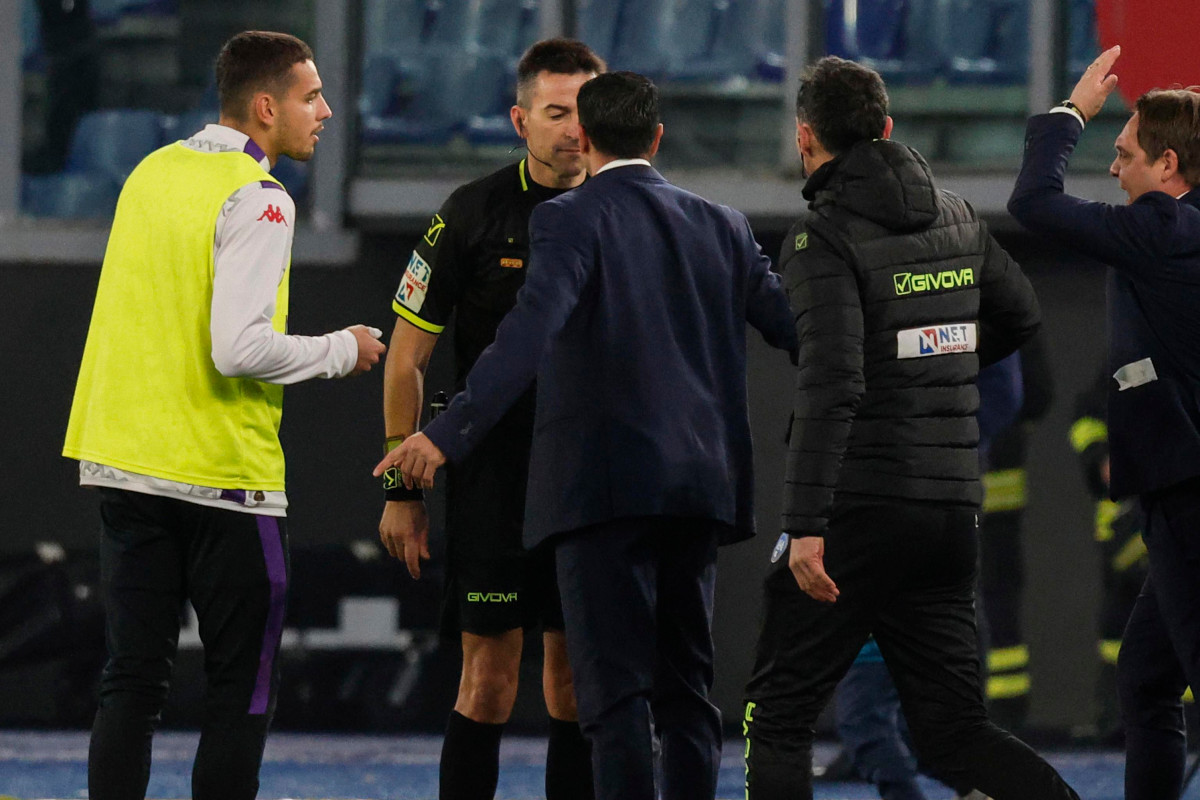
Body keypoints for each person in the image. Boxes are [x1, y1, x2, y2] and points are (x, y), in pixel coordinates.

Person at [376, 70, 796, 800]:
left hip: (599, 492)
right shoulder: (724, 224)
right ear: (658, 137)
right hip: (700, 488)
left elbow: (527, 337)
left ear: (589, 140)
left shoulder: (569, 218)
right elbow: (802, 330)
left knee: (611, 696)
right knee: (687, 692)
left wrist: (443, 437)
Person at [741, 56, 1080, 800]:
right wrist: (939, 361)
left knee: (779, 717)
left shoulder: (818, 239)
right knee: (955, 733)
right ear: (887, 128)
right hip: (947, 513)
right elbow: (1020, 315)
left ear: (806, 138)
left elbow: (832, 381)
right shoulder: (958, 216)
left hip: (858, 507)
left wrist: (804, 526)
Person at [62, 31, 385, 800]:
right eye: (311, 97)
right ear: (266, 108)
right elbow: (238, 349)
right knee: (242, 691)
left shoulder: (150, 171)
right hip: (220, 478)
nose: (326, 112)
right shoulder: (261, 198)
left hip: (124, 460)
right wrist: (343, 348)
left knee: (130, 685)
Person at [376, 38, 604, 800]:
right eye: (556, 112)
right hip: (492, 480)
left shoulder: (628, 210)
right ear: (519, 119)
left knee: (575, 684)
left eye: (587, 111)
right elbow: (406, 359)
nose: (575, 127)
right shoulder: (469, 214)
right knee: (490, 682)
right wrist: (401, 492)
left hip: (589, 481)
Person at [1008, 45, 1200, 799]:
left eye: (1124, 155)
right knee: (1148, 680)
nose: (1113, 169)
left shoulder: (1156, 233)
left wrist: (1070, 115)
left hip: (1186, 495)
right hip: (1177, 493)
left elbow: (1032, 200)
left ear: (1168, 165)